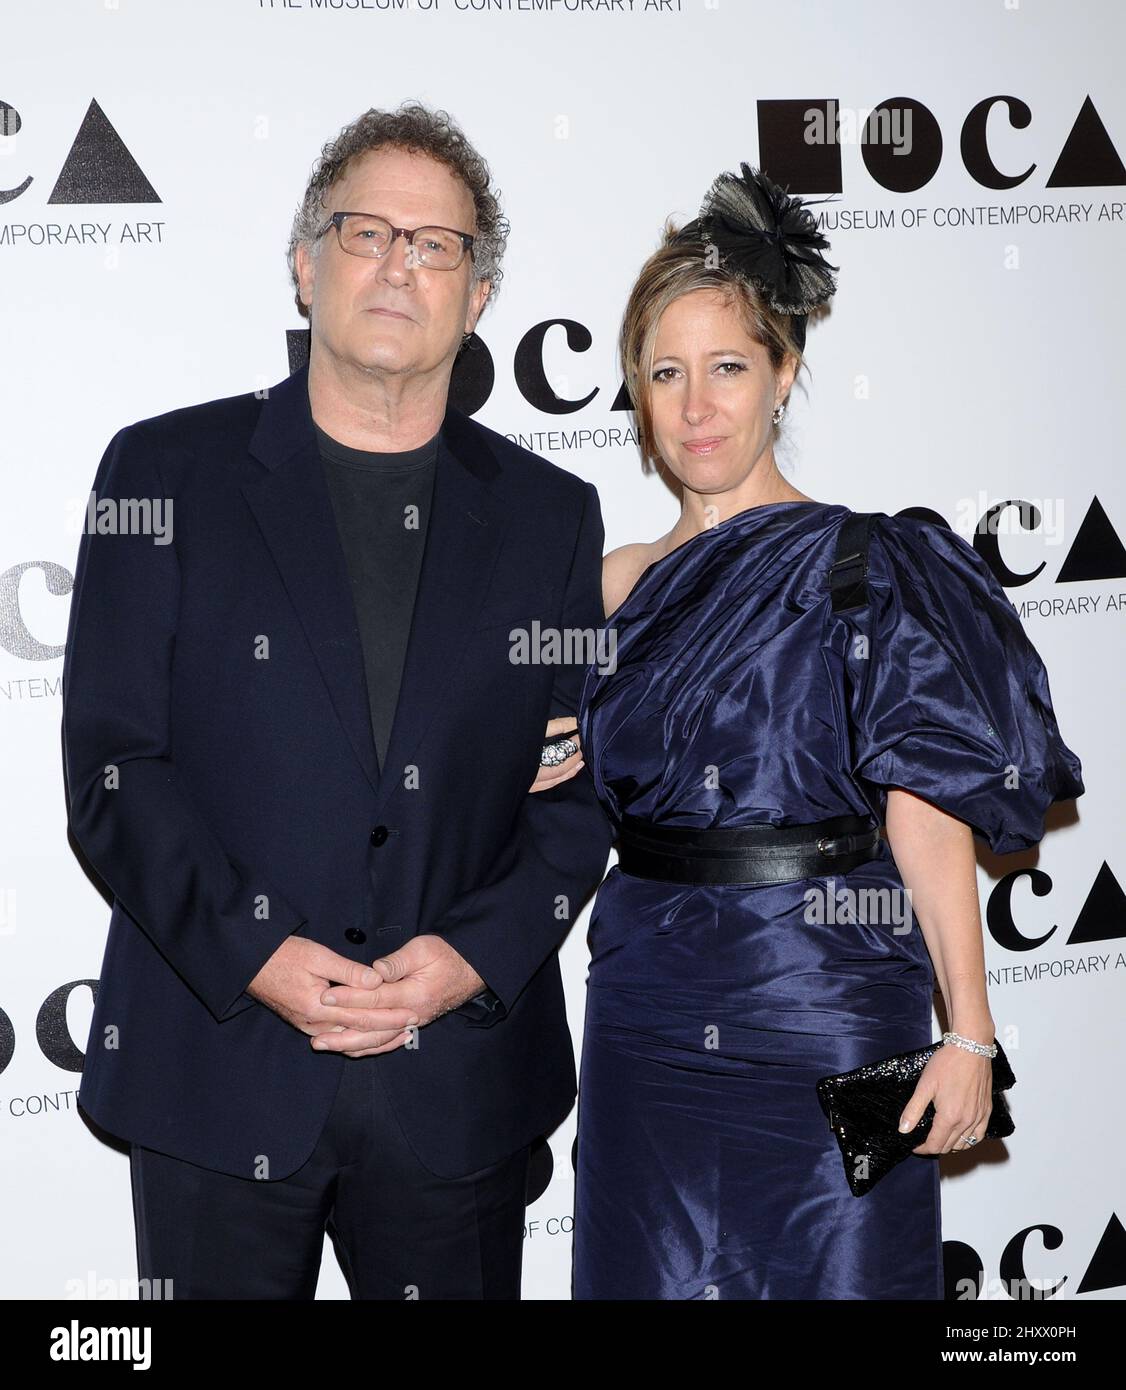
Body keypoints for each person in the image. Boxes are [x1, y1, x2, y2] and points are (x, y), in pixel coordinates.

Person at [61, 101, 612, 1300]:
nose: (399, 264)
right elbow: (113, 769)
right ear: (305, 265)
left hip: (457, 1087)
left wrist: (471, 958)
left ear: (477, 299)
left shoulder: (550, 516)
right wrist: (253, 950)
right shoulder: (160, 476)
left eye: (438, 244)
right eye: (366, 232)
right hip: (217, 1073)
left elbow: (584, 793)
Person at [538, 164, 1084, 1299]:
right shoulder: (604, 589)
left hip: (827, 1008)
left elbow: (923, 809)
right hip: (644, 1016)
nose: (697, 407)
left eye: (728, 367)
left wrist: (969, 1030)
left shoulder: (868, 564)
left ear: (784, 373)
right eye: (666, 373)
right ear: (634, 393)